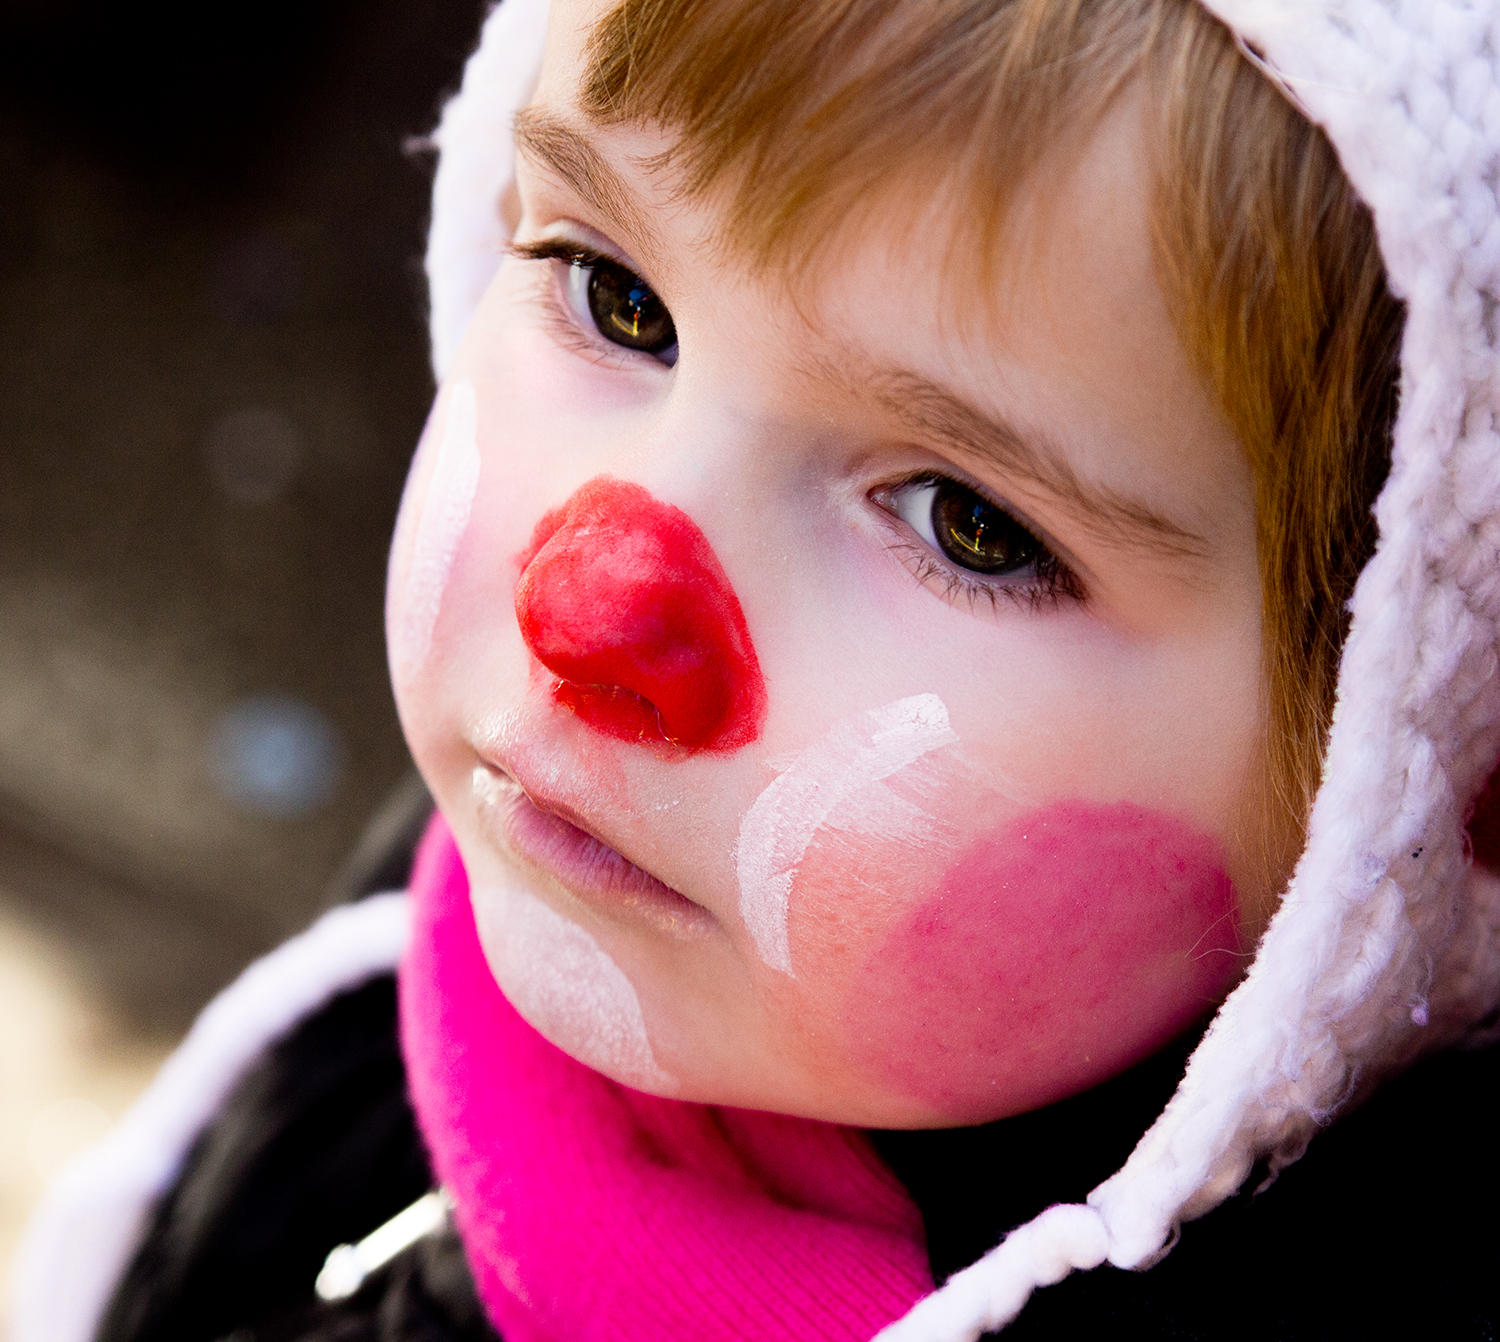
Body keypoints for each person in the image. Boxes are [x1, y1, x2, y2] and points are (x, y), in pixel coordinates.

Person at [13, 0, 1500, 1338]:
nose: (590, 614)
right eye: (616, 298)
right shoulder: (479, 908)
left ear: (1406, 789)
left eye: (968, 523)